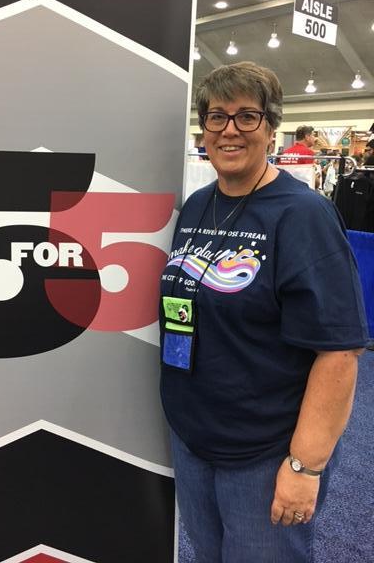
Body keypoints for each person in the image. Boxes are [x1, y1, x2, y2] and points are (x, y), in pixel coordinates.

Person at [159, 61, 368, 563]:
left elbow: (340, 352)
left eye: (246, 116)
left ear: (271, 128)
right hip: (194, 438)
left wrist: (304, 466)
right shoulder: (197, 205)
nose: (229, 130)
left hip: (265, 450)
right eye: (216, 116)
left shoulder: (303, 215)